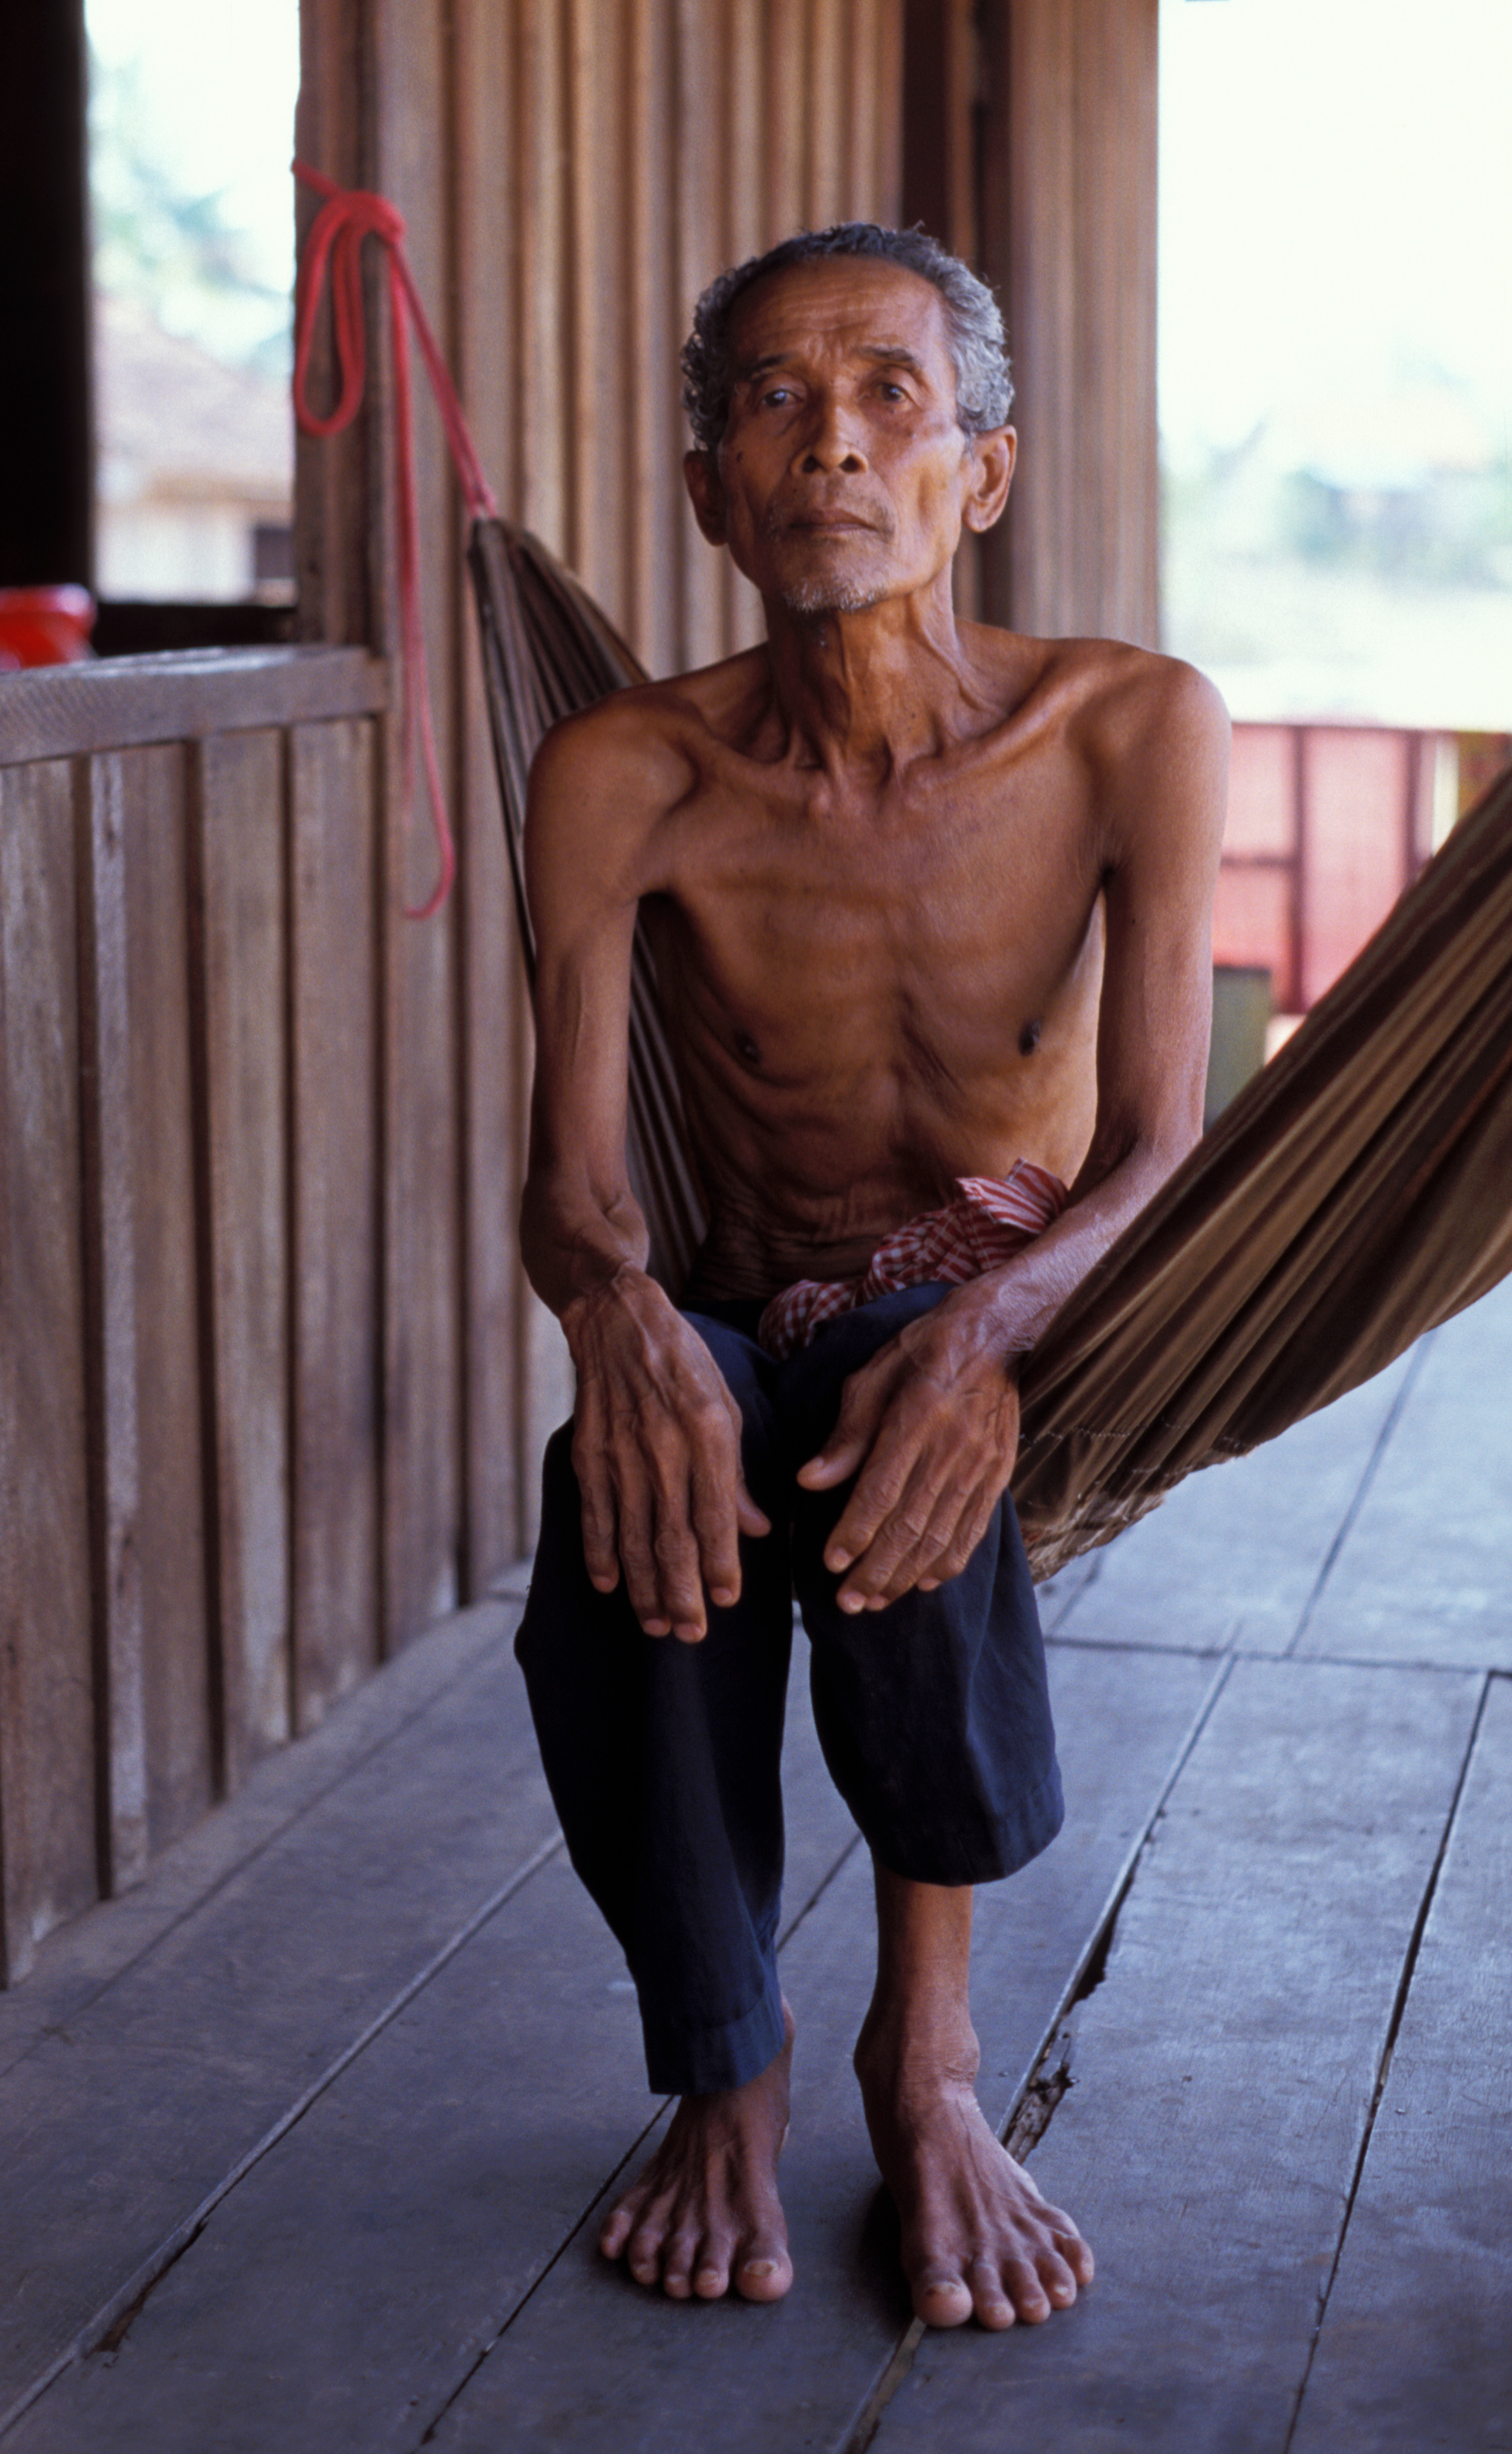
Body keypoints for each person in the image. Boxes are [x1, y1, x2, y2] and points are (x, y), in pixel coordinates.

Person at [515, 222, 1227, 2330]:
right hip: (744, 1304)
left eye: (886, 396)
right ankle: (720, 2057)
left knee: (902, 1389)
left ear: (978, 473)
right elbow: (567, 1190)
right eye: (772, 401)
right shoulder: (623, 771)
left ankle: (925, 2065)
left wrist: (995, 1325)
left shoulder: (1127, 727)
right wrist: (622, 1322)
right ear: (710, 492)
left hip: (1019, 1296)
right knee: (634, 1473)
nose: (829, 441)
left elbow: (1160, 1148)